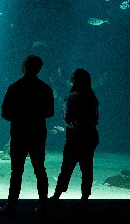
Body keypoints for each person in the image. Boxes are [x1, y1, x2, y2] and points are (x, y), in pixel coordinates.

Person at [0, 55, 54, 217]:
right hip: (37, 133)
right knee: (40, 169)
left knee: (16, 171)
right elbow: (50, 113)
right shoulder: (46, 88)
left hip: (19, 133)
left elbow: (5, 112)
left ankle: (11, 205)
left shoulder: (15, 87)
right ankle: (43, 205)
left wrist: (18, 118)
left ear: (24, 67)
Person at [49, 68, 100, 209]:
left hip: (76, 137)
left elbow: (69, 118)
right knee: (87, 168)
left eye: (72, 76)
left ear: (76, 79)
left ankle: (56, 196)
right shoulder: (92, 97)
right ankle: (84, 199)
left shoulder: (72, 97)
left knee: (67, 167)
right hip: (91, 135)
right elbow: (96, 119)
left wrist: (63, 117)